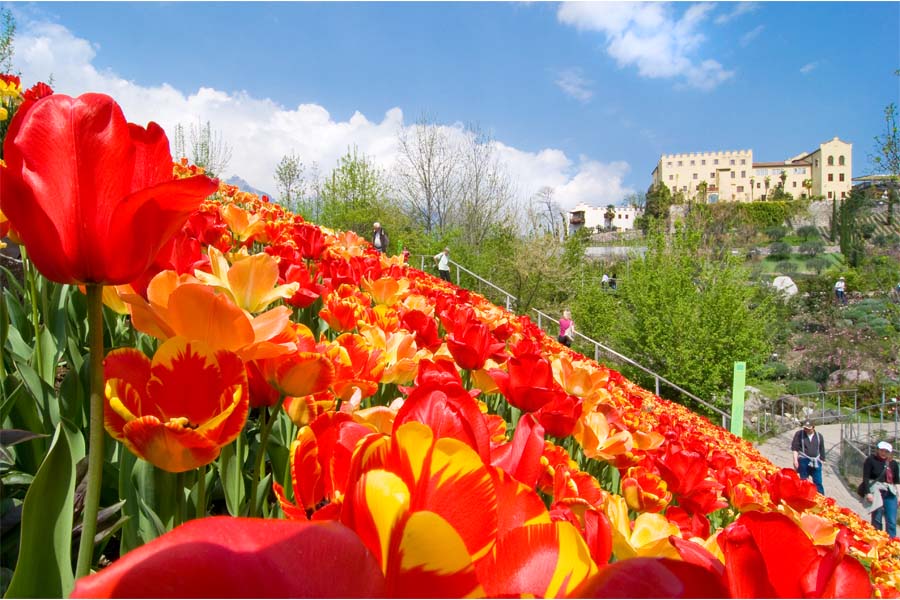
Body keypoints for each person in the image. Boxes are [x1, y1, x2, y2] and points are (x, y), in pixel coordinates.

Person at [862, 441, 899, 538]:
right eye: (882, 450)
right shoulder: (870, 460)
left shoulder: (893, 463)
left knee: (891, 520)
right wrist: (868, 493)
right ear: (878, 450)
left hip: (890, 491)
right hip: (876, 491)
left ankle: (891, 542)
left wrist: (898, 495)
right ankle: (877, 539)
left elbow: (896, 481)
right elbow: (866, 478)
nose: (884, 453)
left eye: (886, 451)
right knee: (877, 519)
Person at [791, 420, 825, 494]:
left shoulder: (819, 436)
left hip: (816, 461)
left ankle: (821, 498)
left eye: (808, 428)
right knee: (803, 480)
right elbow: (795, 448)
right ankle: (803, 497)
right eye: (805, 428)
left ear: (813, 427)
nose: (806, 430)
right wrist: (795, 460)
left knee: (818, 481)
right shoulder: (799, 434)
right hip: (804, 460)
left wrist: (822, 460)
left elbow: (822, 449)